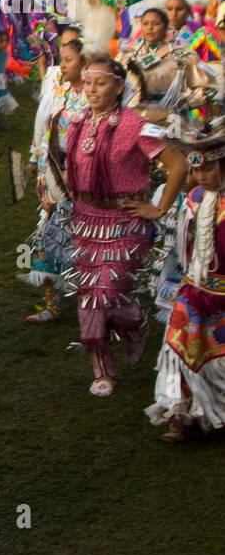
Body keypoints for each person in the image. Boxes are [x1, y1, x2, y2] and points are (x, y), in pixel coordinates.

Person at [65, 55, 187, 397]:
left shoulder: (136, 124)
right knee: (89, 298)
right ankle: (103, 370)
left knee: (107, 292)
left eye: (99, 83)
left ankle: (136, 324)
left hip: (125, 221)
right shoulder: (79, 123)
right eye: (87, 83)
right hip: (85, 219)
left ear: (119, 87)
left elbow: (178, 164)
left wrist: (159, 208)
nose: (91, 89)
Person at [146, 122, 225, 442]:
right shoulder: (193, 198)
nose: (203, 176)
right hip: (194, 289)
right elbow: (184, 246)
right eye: (199, 170)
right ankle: (182, 415)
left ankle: (214, 410)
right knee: (178, 350)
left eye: (210, 169)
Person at [22, 34, 87, 324]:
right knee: (47, 237)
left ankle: (91, 303)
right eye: (62, 59)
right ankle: (52, 304)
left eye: (69, 60)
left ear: (84, 63)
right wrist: (39, 167)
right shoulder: (57, 92)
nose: (62, 66)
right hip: (55, 170)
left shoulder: (94, 94)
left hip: (84, 179)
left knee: (83, 241)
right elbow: (42, 127)